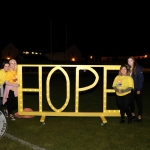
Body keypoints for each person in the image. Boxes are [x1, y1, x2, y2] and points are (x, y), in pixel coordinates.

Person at [127, 56, 144, 122]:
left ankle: (139, 117)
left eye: (131, 60)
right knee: (131, 102)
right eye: (128, 61)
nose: (129, 62)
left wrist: (139, 89)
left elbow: (141, 79)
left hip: (137, 88)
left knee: (139, 102)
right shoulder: (129, 68)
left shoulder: (138, 68)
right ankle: (133, 114)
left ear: (134, 61)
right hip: (131, 88)